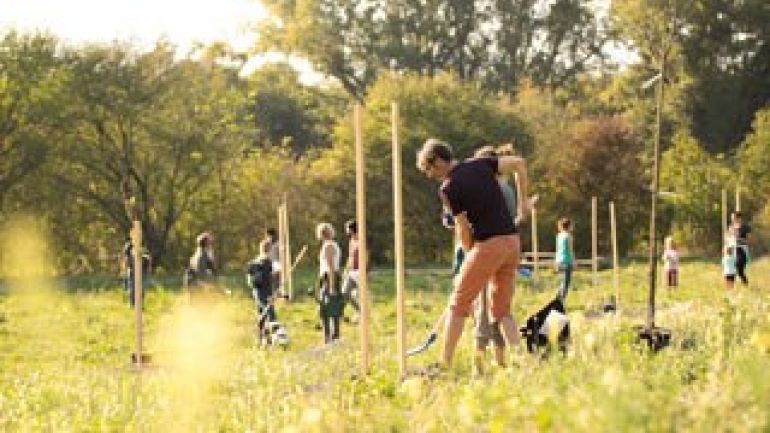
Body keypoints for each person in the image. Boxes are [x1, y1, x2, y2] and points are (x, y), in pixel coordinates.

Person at [417, 138, 530, 368]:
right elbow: (519, 163)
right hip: (512, 242)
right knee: (501, 311)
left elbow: (462, 227)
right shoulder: (481, 164)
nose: (430, 175)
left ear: (438, 161)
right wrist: (523, 203)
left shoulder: (448, 188)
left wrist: (471, 253)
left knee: (458, 304)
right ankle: (522, 362)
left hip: (489, 245)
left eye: (429, 169)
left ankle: (444, 364)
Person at [311, 222, 343, 344]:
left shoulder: (328, 246)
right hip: (328, 277)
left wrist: (332, 286)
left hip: (329, 277)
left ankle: (330, 337)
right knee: (330, 307)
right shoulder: (332, 244)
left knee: (327, 308)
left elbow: (330, 266)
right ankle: (332, 336)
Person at [247, 239, 277, 341]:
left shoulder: (254, 261)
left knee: (261, 314)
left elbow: (250, 278)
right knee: (271, 315)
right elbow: (269, 277)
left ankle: (260, 339)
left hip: (256, 291)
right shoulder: (267, 261)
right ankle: (272, 339)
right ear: (269, 249)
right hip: (266, 291)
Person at [341, 219, 361, 321]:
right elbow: (350, 256)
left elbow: (366, 256)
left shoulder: (361, 240)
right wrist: (346, 269)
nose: (346, 231)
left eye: (347, 229)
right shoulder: (351, 241)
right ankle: (359, 310)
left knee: (358, 295)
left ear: (352, 229)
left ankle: (362, 315)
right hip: (351, 271)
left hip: (359, 271)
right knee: (344, 293)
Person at [728, 212, 751, 286]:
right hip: (733, 249)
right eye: (732, 218)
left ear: (739, 218)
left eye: (734, 218)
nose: (732, 219)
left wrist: (739, 240)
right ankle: (731, 286)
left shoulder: (745, 228)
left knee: (739, 267)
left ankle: (745, 283)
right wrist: (728, 244)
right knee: (732, 269)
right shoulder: (731, 228)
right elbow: (728, 238)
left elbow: (749, 240)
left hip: (742, 250)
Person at [555, 217, 575, 300]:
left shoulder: (559, 236)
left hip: (559, 261)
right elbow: (570, 250)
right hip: (566, 261)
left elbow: (557, 249)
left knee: (561, 282)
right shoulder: (568, 236)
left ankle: (557, 299)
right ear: (569, 226)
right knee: (565, 283)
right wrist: (574, 261)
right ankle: (561, 302)